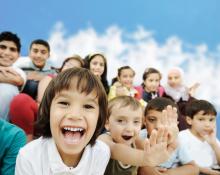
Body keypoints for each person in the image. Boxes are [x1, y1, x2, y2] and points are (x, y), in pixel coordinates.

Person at [15, 67, 110, 174]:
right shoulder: (28, 157)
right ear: (48, 110)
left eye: (88, 106)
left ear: (100, 117)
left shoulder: (101, 153)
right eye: (64, 103)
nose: (75, 115)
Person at [9, 55, 84, 142]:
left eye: (74, 67)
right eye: (67, 64)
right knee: (21, 101)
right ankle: (26, 142)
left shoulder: (79, 88)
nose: (68, 67)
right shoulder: (50, 78)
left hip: (66, 118)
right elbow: (42, 102)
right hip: (45, 114)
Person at [99, 96, 177, 175]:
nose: (129, 128)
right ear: (107, 123)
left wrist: (169, 137)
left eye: (136, 122)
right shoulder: (104, 140)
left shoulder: (136, 141)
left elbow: (153, 149)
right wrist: (146, 159)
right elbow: (117, 149)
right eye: (120, 121)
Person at [138, 97, 199, 175]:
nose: (158, 126)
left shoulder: (177, 141)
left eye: (164, 121)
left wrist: (167, 173)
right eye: (152, 120)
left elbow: (193, 168)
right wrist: (145, 169)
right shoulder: (138, 137)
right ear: (144, 121)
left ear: (175, 124)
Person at [179, 99, 220, 175]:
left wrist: (214, 144)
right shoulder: (182, 137)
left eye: (211, 120)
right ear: (189, 120)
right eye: (201, 119)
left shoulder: (213, 139)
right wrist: (211, 172)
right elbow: (185, 163)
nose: (207, 124)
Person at [0, 31, 26, 120]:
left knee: (8, 87)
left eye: (12, 49)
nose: (7, 53)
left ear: (18, 55)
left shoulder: (18, 71)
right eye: (2, 47)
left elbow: (17, 80)